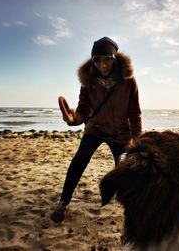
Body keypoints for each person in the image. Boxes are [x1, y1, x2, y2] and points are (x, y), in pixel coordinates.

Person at [50, 37, 142, 223]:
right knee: (79, 159)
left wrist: (136, 141)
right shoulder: (88, 81)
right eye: (97, 60)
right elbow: (83, 109)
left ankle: (131, 204)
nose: (102, 65)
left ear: (114, 58)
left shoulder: (128, 81)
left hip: (120, 132)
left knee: (124, 168)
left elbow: (135, 113)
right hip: (96, 129)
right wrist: (73, 119)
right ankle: (63, 202)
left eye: (106, 59)